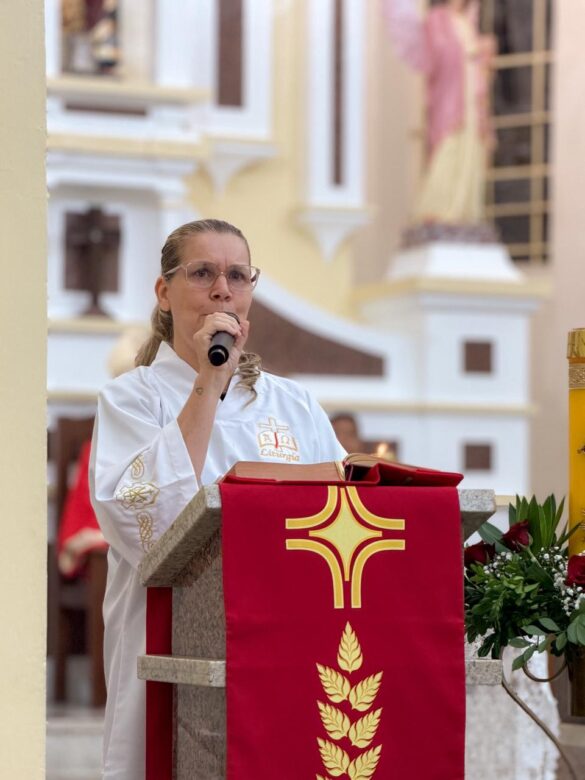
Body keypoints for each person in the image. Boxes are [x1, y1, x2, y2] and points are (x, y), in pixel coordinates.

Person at [89, 218, 346, 779]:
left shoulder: (294, 404)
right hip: (175, 638)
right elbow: (141, 520)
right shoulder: (131, 399)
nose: (222, 289)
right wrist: (210, 379)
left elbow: (342, 513)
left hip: (286, 644)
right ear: (164, 292)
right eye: (202, 272)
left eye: (237, 275)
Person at [382, 0, 495, 225]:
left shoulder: (467, 23)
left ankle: (464, 213)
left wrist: (484, 55)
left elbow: (479, 67)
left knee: (469, 150)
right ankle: (438, 209)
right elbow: (435, 58)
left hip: (471, 100)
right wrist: (469, 53)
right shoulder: (437, 20)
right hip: (451, 97)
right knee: (448, 148)